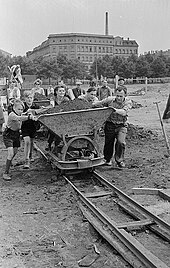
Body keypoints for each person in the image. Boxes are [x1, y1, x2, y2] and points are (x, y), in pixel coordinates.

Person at [93, 87, 132, 168]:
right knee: (108, 142)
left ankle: (119, 160)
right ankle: (107, 159)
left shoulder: (128, 102)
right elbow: (99, 103)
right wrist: (92, 103)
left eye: (121, 96)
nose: (118, 98)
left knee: (121, 142)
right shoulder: (110, 100)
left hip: (121, 125)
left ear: (125, 95)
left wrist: (113, 109)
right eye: (117, 95)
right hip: (110, 124)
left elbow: (124, 112)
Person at [2, 99, 36, 181]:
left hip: (16, 135)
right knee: (10, 153)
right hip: (8, 135)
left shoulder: (20, 113)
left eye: (21, 109)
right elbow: (19, 118)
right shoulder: (12, 115)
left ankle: (9, 162)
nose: (20, 111)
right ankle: (6, 173)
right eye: (18, 109)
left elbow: (22, 114)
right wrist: (29, 117)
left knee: (15, 151)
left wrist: (29, 112)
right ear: (14, 108)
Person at [21, 91, 49, 169]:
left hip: (33, 126)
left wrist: (43, 109)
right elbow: (19, 114)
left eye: (31, 98)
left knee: (31, 141)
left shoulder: (35, 106)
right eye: (28, 98)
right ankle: (26, 160)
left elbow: (41, 111)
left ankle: (30, 155)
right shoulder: (22, 106)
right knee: (27, 141)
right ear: (24, 98)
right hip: (25, 126)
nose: (29, 100)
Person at [46, 85, 70, 151]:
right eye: (60, 91)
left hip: (62, 118)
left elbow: (67, 108)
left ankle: (57, 145)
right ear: (56, 92)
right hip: (54, 117)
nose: (61, 92)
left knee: (60, 132)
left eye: (63, 91)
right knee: (52, 131)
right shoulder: (53, 98)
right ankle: (49, 143)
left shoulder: (66, 99)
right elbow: (52, 105)